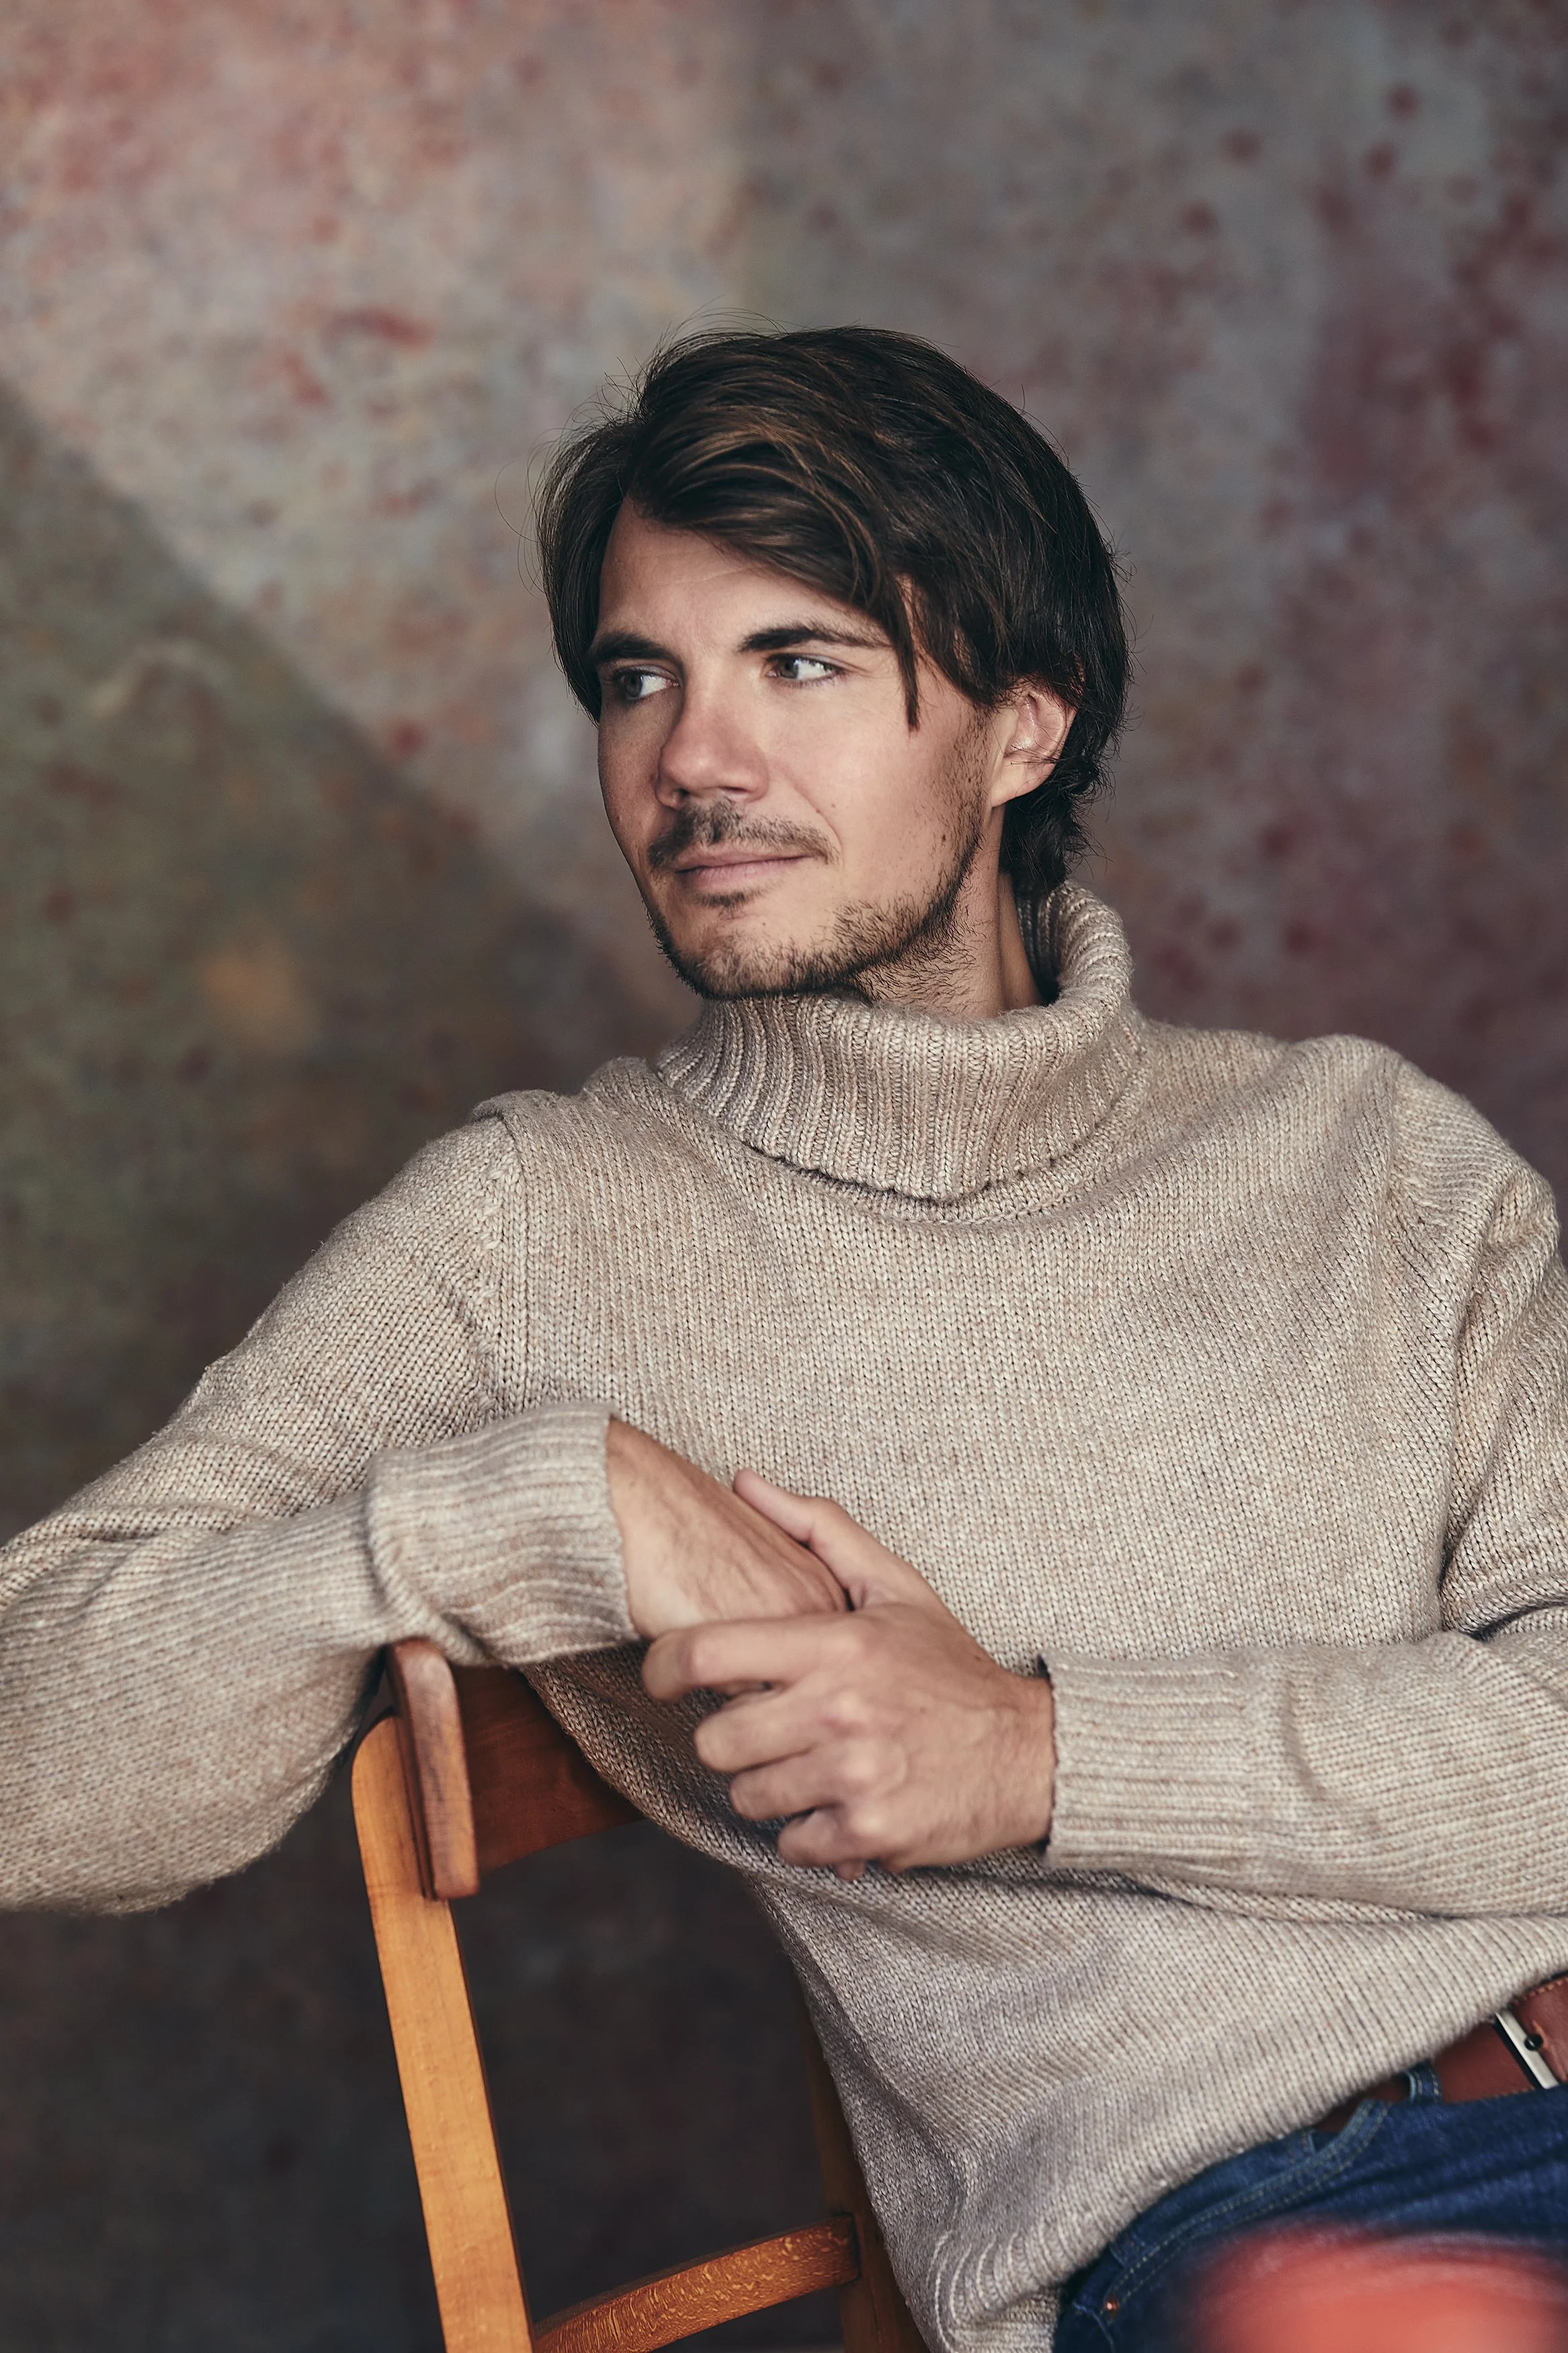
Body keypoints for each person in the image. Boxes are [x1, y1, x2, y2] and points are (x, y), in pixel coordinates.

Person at [3, 325, 1568, 2350]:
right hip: (1267, 2249)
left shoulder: (1368, 1161)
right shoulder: (532, 1236)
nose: (692, 760)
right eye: (636, 675)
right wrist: (520, 1507)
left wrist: (1027, 1744)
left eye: (798, 661)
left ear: (1019, 722)